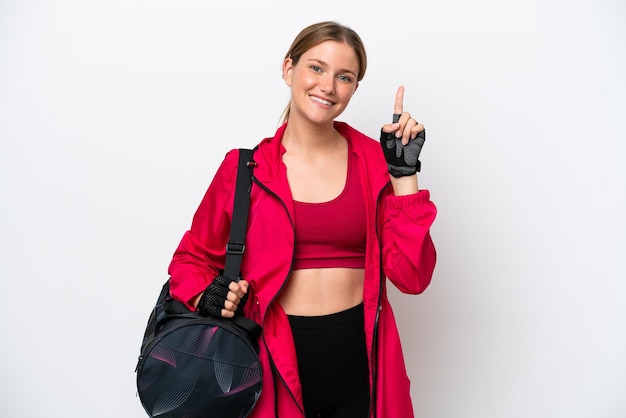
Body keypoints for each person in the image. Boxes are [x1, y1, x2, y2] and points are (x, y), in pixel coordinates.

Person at [168, 21, 437, 418]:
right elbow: (189, 261)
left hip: (362, 362)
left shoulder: (374, 164)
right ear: (288, 69)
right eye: (316, 68)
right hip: (271, 364)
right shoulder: (245, 169)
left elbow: (412, 277)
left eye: (344, 76)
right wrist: (208, 294)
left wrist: (404, 176)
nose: (327, 86)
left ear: (354, 89)